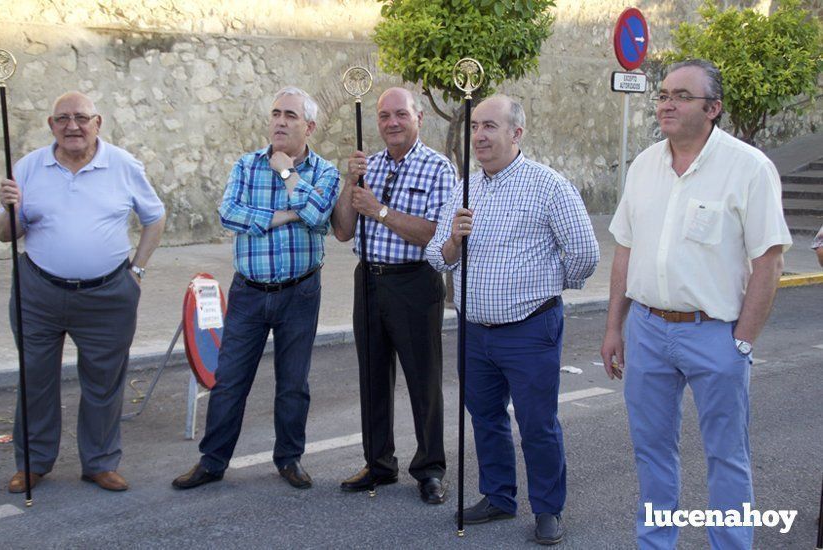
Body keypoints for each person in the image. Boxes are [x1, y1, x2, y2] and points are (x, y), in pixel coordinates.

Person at [600, 59, 792, 549]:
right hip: (647, 328)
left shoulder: (748, 168)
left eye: (681, 95)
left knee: (727, 455)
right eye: (663, 94)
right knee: (651, 451)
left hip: (715, 333)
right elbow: (624, 248)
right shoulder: (645, 165)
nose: (666, 103)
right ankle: (656, 543)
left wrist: (742, 342)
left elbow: (769, 262)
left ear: (713, 108)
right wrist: (614, 328)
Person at [425, 94, 599, 545]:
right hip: (474, 331)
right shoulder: (465, 188)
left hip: (529, 329)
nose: (479, 135)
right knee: (484, 416)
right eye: (475, 126)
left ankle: (548, 508)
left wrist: (544, 284)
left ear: (516, 133)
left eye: (490, 126)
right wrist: (453, 244)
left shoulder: (549, 186)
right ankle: (499, 496)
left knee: (537, 423)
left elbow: (584, 253)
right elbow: (436, 257)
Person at [0, 91, 166, 493]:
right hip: (37, 292)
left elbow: (154, 218)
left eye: (82, 118)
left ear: (97, 122)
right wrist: (7, 210)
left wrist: (137, 270)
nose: (73, 126)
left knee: (104, 382)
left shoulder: (122, 165)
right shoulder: (29, 167)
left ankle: (100, 462)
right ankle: (33, 463)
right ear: (51, 125)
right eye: (63, 118)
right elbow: (6, 234)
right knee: (35, 378)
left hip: (108, 294)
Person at [172, 87, 339, 491]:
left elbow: (319, 217)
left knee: (294, 383)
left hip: (300, 292)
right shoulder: (246, 166)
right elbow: (229, 214)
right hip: (248, 291)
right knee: (229, 380)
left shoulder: (326, 171)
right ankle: (212, 461)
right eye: (276, 113)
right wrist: (287, 213)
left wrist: (286, 173)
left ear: (309, 126)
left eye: (290, 116)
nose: (280, 121)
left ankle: (289, 458)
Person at [331, 88, 455, 504]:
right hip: (368, 280)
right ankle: (379, 463)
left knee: (424, 380)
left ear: (418, 117)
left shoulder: (438, 168)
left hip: (414, 282)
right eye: (384, 116)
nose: (391, 123)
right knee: (372, 377)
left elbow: (437, 233)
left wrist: (380, 210)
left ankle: (430, 469)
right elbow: (344, 230)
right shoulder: (369, 167)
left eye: (400, 114)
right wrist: (351, 184)